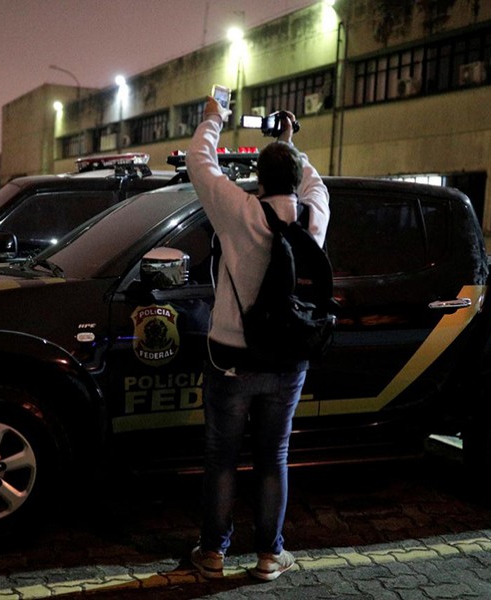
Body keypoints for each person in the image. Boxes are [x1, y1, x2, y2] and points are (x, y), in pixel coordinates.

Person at [184, 97, 330, 581]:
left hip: (229, 356)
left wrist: (214, 116)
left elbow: (199, 162)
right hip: (287, 359)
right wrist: (290, 143)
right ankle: (270, 555)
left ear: (259, 179)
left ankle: (212, 554)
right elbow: (314, 184)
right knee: (275, 456)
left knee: (221, 457)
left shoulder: (238, 211)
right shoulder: (313, 217)